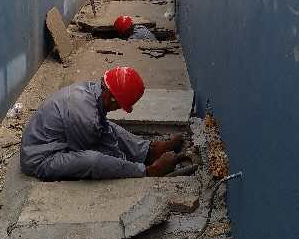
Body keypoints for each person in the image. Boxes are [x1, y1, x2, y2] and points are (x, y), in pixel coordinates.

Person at [20, 66, 183, 181]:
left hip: (58, 140)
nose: (118, 108)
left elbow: (103, 131)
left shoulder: (93, 92)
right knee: (93, 160)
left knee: (110, 127)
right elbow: (99, 150)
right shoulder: (85, 115)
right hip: (41, 159)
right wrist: (132, 167)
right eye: (119, 105)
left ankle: (148, 151)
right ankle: (149, 172)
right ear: (111, 97)